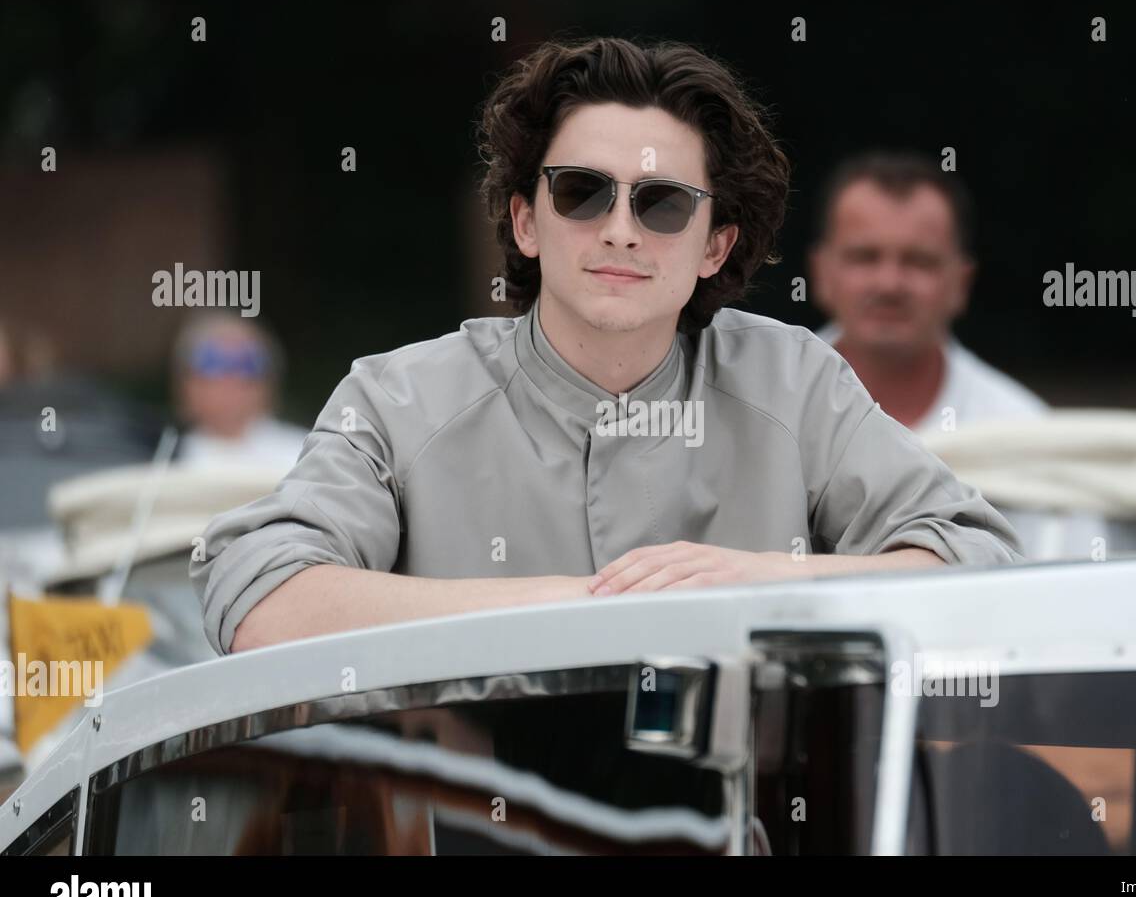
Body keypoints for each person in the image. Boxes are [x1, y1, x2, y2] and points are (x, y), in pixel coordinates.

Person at [191, 37, 1021, 656]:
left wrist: (766, 580)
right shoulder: (397, 398)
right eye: (583, 192)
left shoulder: (794, 382)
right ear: (526, 220)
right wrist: (572, 606)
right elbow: (260, 594)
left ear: (714, 247)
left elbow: (979, 561)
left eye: (662, 204)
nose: (620, 230)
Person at [808, 151, 1046, 433]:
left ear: (961, 283)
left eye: (919, 261)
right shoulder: (764, 405)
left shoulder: (1022, 430)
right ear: (821, 273)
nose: (889, 284)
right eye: (865, 257)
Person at [172, 317, 307, 473]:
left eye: (246, 365)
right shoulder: (163, 458)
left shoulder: (305, 455)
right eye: (213, 363)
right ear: (187, 384)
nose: (230, 380)